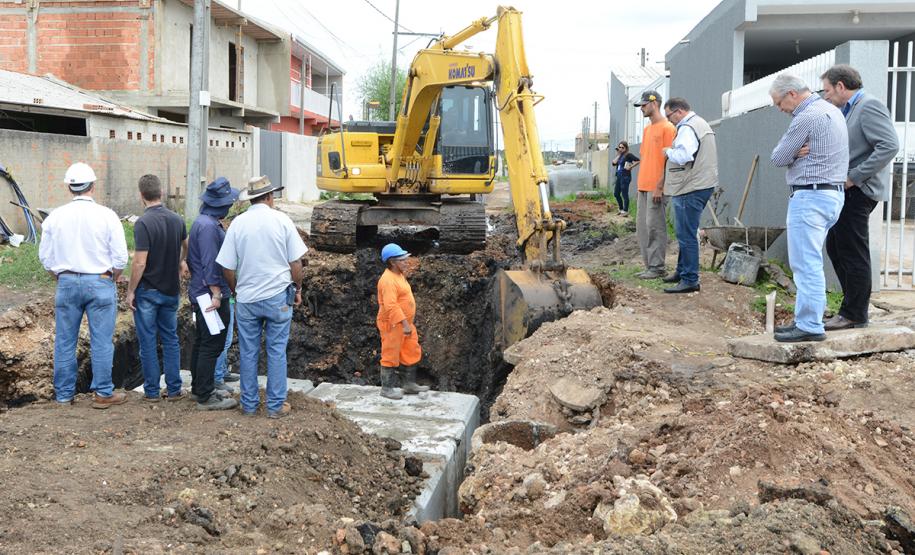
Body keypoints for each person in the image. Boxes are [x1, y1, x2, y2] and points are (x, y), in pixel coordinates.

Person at [38, 162, 129, 408]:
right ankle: (102, 393)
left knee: (65, 341)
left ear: (69, 187)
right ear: (93, 186)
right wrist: (112, 275)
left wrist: (60, 276)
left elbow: (45, 257)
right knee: (101, 340)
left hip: (66, 282)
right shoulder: (107, 215)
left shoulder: (55, 217)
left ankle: (64, 395)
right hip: (100, 280)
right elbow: (120, 257)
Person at [216, 176, 308, 418]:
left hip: (247, 299)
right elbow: (296, 262)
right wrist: (297, 289)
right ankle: (276, 406)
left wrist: (236, 290)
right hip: (278, 297)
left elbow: (226, 267)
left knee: (248, 352)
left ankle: (248, 405)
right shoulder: (282, 221)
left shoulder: (237, 224)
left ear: (250, 200)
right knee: (276, 351)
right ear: (269, 197)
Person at [770, 74, 849, 342]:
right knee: (811, 261)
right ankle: (806, 319)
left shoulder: (806, 117)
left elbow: (778, 157)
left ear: (792, 94)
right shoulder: (831, 110)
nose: (779, 109)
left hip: (810, 196)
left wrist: (792, 152)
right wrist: (796, 151)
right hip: (831, 195)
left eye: (779, 102)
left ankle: (809, 325)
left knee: (806, 264)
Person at [820, 64, 899, 330]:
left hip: (859, 190)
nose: (826, 96)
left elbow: (889, 145)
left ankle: (854, 314)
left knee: (853, 252)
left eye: (828, 90)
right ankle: (851, 307)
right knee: (835, 247)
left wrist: (855, 176)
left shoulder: (869, 106)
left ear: (841, 86)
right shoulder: (848, 108)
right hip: (846, 190)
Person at [125, 175, 188, 402]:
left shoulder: (143, 223)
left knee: (148, 342)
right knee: (171, 340)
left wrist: (131, 290)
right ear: (161, 192)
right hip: (171, 291)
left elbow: (140, 262)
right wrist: (181, 261)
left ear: (141, 196)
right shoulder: (177, 220)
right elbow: (186, 247)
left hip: (148, 293)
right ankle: (174, 391)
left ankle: (151, 392)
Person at [186, 177, 241, 411]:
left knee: (203, 342)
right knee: (212, 343)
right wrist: (217, 294)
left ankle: (201, 387)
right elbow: (210, 262)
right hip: (210, 294)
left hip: (201, 291)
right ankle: (205, 395)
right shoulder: (209, 227)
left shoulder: (203, 222)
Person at [661, 98, 719, 294]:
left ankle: (690, 279)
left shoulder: (688, 127)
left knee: (686, 234)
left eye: (669, 116)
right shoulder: (701, 124)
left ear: (678, 112)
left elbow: (684, 155)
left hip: (690, 186)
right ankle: (682, 271)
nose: (669, 121)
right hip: (702, 184)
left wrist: (668, 151)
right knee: (685, 231)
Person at [633, 90, 677, 279]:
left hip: (657, 187)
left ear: (654, 103)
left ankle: (657, 267)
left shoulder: (668, 128)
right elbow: (646, 157)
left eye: (644, 105)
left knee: (655, 226)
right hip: (643, 185)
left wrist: (660, 185)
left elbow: (669, 160)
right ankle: (649, 266)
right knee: (642, 227)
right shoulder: (647, 130)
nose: (641, 108)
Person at [376, 243, 428, 400]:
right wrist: (404, 323)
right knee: (390, 354)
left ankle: (409, 384)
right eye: (403, 259)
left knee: (411, 350)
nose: (407, 262)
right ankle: (387, 388)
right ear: (392, 262)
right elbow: (391, 306)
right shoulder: (387, 280)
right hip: (393, 324)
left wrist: (407, 323)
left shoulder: (399, 275)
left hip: (405, 323)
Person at [611, 141, 639, 216]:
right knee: (616, 193)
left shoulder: (628, 155)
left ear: (626, 148)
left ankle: (625, 210)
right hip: (619, 176)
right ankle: (621, 209)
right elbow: (613, 163)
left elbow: (638, 160)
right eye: (619, 147)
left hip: (625, 177)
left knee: (624, 194)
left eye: (622, 147)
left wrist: (631, 167)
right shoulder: (620, 156)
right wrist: (618, 154)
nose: (620, 149)